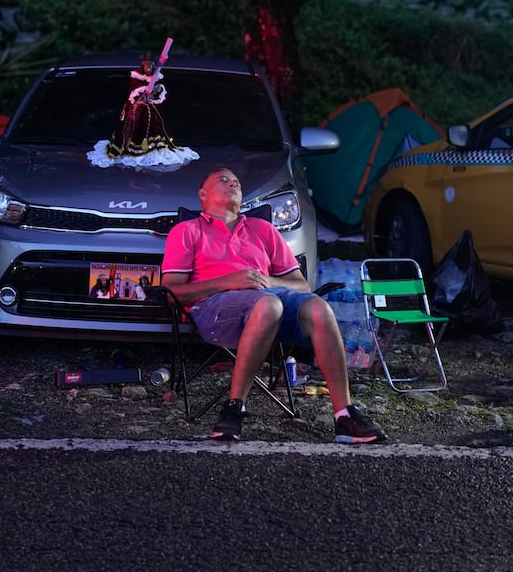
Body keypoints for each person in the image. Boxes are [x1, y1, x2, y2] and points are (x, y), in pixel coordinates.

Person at [159, 166, 386, 444]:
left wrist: (266, 280)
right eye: (223, 180)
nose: (233, 184)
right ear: (203, 194)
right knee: (268, 305)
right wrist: (230, 281)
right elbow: (171, 293)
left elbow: (301, 285)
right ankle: (234, 407)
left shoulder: (263, 229)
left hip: (269, 303)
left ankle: (344, 415)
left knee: (318, 307)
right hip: (214, 309)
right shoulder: (187, 231)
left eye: (237, 182)